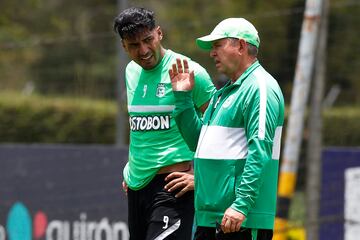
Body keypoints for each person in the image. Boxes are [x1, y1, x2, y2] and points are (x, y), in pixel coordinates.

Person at [169, 18, 285, 240]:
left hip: (239, 222)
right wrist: (183, 99)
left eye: (217, 45)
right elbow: (198, 144)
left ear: (241, 46)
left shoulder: (260, 87)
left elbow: (260, 151)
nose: (212, 53)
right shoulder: (223, 93)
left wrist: (241, 205)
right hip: (210, 218)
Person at [113, 7, 216, 240]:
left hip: (173, 187)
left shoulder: (189, 71)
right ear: (124, 46)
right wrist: (135, 171)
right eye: (134, 45)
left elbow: (221, 130)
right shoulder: (131, 71)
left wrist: (201, 176)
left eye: (148, 40)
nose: (144, 50)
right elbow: (140, 127)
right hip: (137, 187)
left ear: (159, 33)